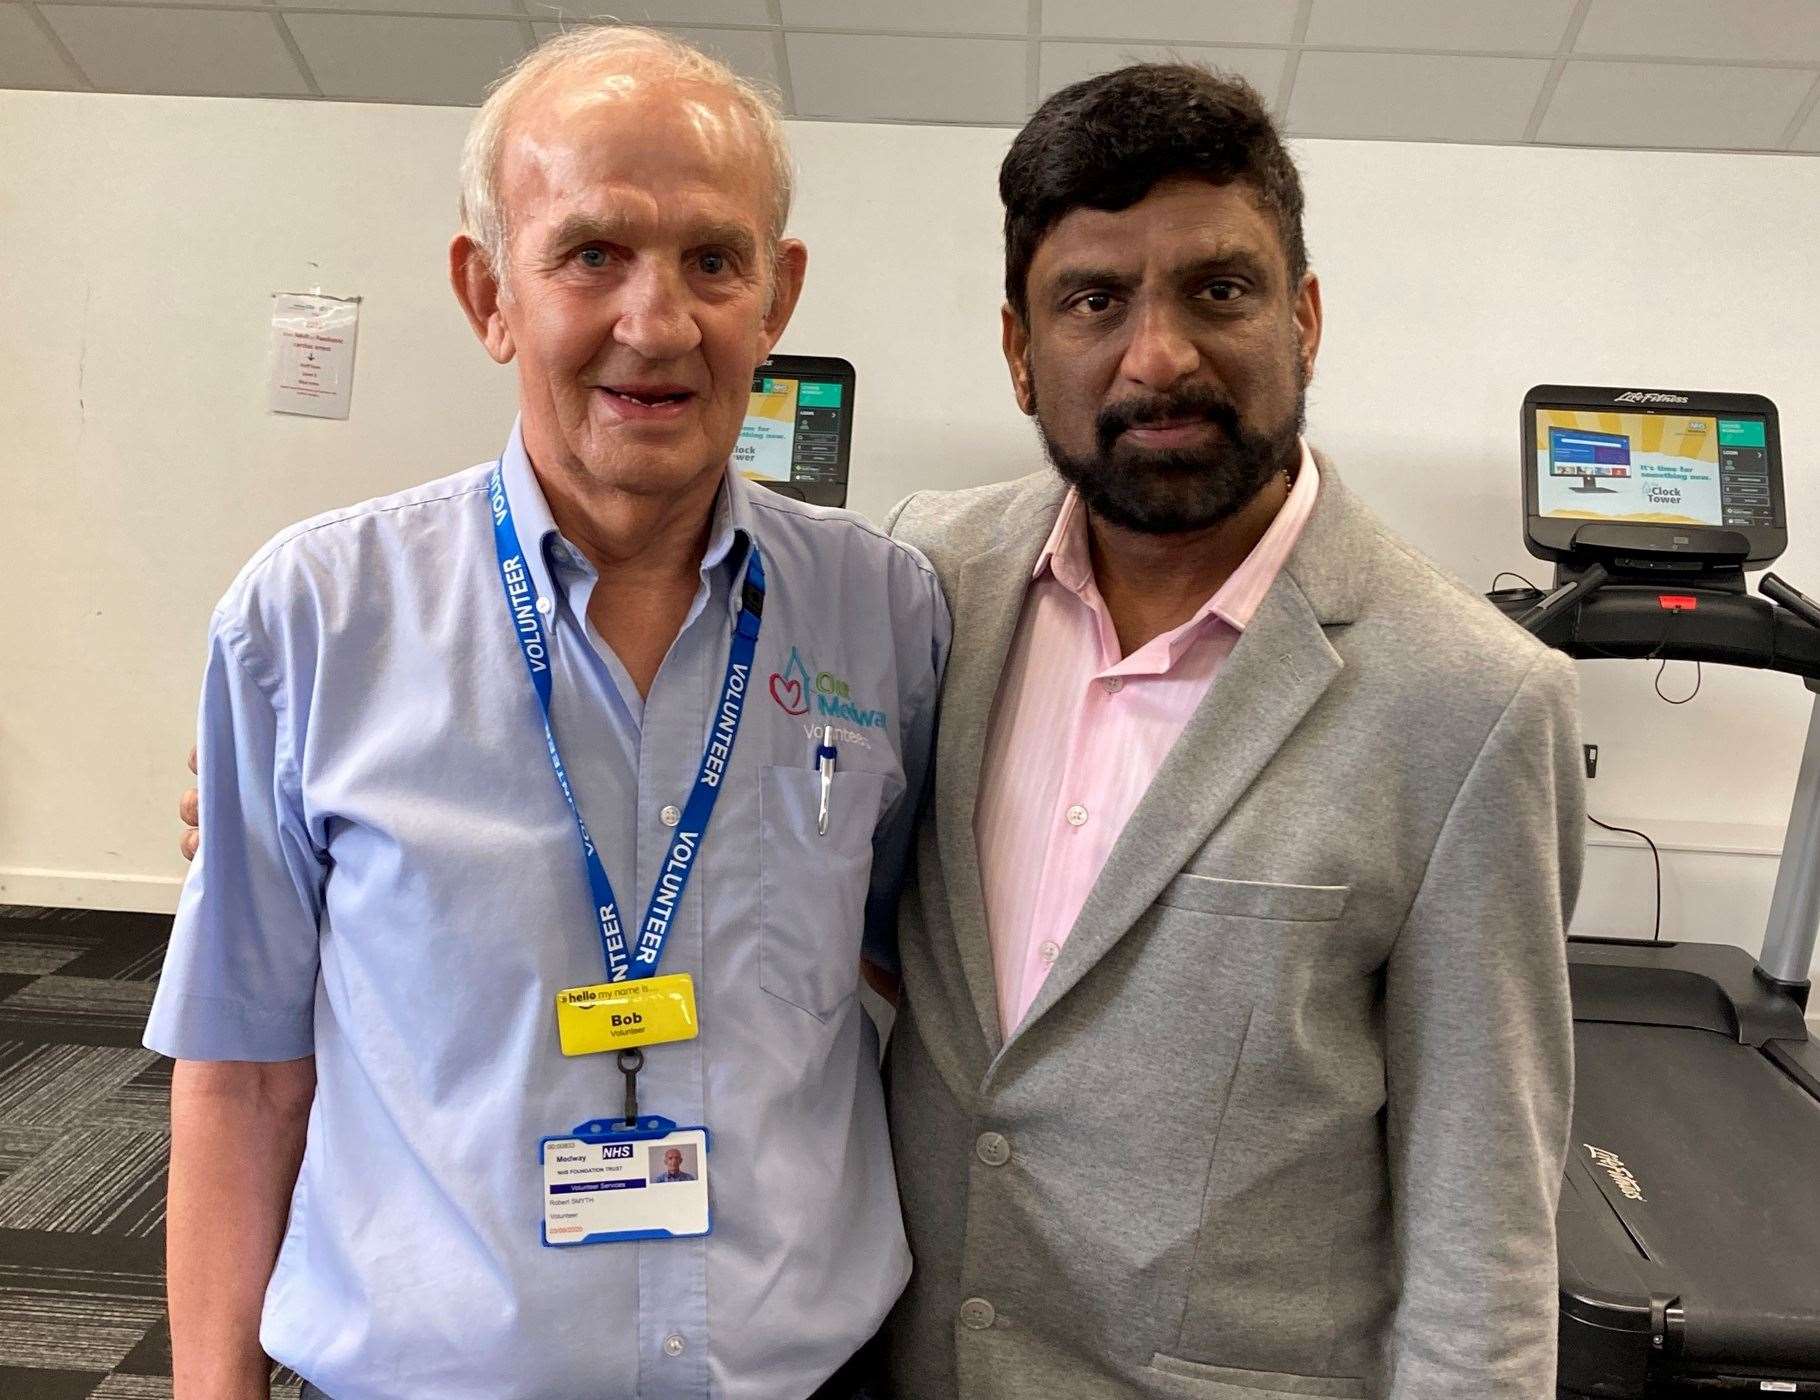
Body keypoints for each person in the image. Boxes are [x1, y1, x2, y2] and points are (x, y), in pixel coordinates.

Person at [150, 26, 944, 1400]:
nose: (657, 322)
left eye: (714, 259)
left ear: (777, 296)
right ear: (489, 292)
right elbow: (242, 1074)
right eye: (591, 254)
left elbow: (911, 960)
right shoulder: (312, 626)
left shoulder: (885, 613)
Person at [880, 66, 1582, 1398]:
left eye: (1220, 289)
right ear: (1021, 349)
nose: (1160, 357)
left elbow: (1483, 1226)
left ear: (1303, 318)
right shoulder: (931, 579)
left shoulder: (1473, 703)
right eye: (1094, 299)